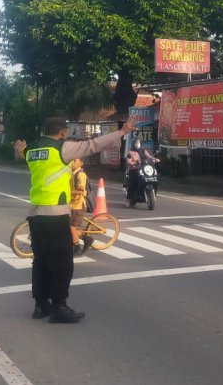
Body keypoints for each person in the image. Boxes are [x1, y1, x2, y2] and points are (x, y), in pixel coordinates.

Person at [15, 117, 134, 323]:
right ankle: (59, 307)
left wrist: (20, 147)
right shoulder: (63, 148)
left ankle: (41, 305)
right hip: (56, 214)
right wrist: (122, 131)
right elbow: (93, 145)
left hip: (35, 214)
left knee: (41, 261)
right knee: (62, 262)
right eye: (66, 131)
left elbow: (20, 153)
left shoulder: (32, 150)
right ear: (62, 132)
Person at [69, 158, 93, 256]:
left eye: (75, 160)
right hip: (71, 204)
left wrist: (68, 192)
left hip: (78, 205)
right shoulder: (71, 173)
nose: (72, 162)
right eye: (71, 160)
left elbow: (80, 191)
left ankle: (77, 248)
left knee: (72, 227)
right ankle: (87, 239)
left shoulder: (81, 174)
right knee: (68, 227)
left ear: (81, 163)